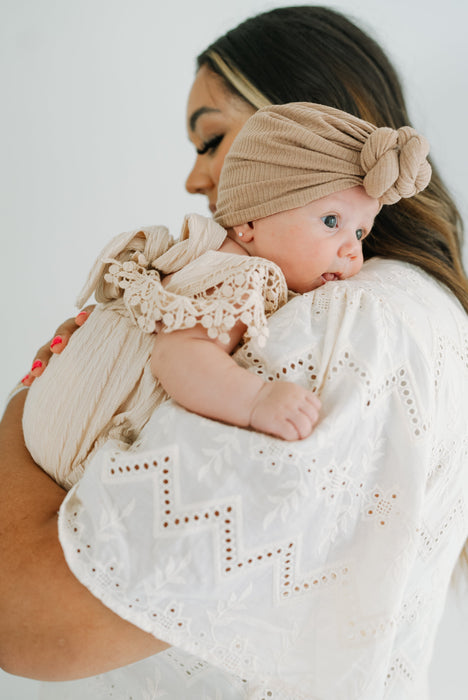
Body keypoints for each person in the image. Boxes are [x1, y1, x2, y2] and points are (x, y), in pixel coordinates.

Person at [1, 6, 467, 699]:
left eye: (213, 139)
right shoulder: (388, 311)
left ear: (303, 133)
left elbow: (28, 624)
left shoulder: (355, 323)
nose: (196, 179)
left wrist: (21, 410)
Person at [21, 101, 430, 489]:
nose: (352, 250)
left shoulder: (218, 256)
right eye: (330, 221)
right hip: (83, 444)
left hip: (45, 429)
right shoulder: (240, 274)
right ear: (250, 219)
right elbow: (177, 357)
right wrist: (257, 399)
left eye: (360, 232)